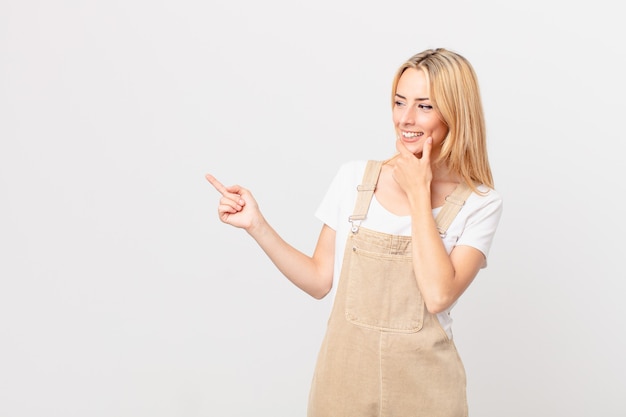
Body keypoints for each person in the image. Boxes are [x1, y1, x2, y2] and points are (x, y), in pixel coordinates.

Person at [206, 47, 503, 417]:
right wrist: (257, 225)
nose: (406, 119)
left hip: (427, 390)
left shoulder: (480, 202)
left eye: (425, 106)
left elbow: (439, 295)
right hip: (342, 384)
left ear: (456, 113)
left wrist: (417, 192)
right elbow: (318, 281)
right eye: (399, 102)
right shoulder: (354, 179)